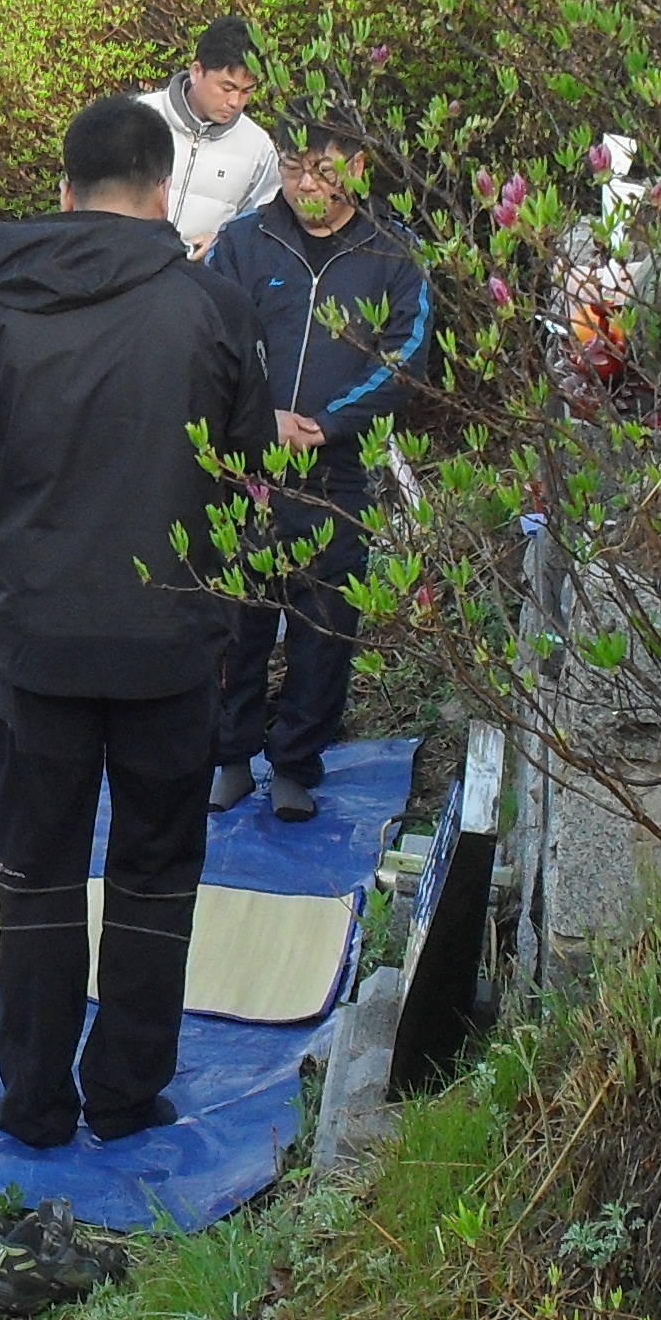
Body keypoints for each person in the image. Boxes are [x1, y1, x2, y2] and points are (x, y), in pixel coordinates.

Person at [0, 94, 265, 1147]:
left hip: (39, 631)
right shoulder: (210, 307)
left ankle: (33, 1096)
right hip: (170, 637)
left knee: (34, 871)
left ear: (65, 186)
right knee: (154, 869)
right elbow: (248, 469)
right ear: (163, 189)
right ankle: (127, 1091)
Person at [206, 106, 432, 823]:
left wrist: (328, 427)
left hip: (336, 474)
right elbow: (209, 338)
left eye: (322, 171)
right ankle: (229, 755)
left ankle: (298, 761)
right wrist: (254, 422)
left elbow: (406, 359)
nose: (305, 185)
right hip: (243, 470)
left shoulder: (392, 257)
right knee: (234, 620)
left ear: (357, 170)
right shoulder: (243, 244)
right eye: (294, 168)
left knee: (325, 624)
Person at [143, 14, 281, 259]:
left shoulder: (258, 148)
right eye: (226, 87)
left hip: (202, 284)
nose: (235, 102)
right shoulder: (139, 118)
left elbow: (264, 222)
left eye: (246, 91)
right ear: (197, 71)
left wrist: (222, 241)